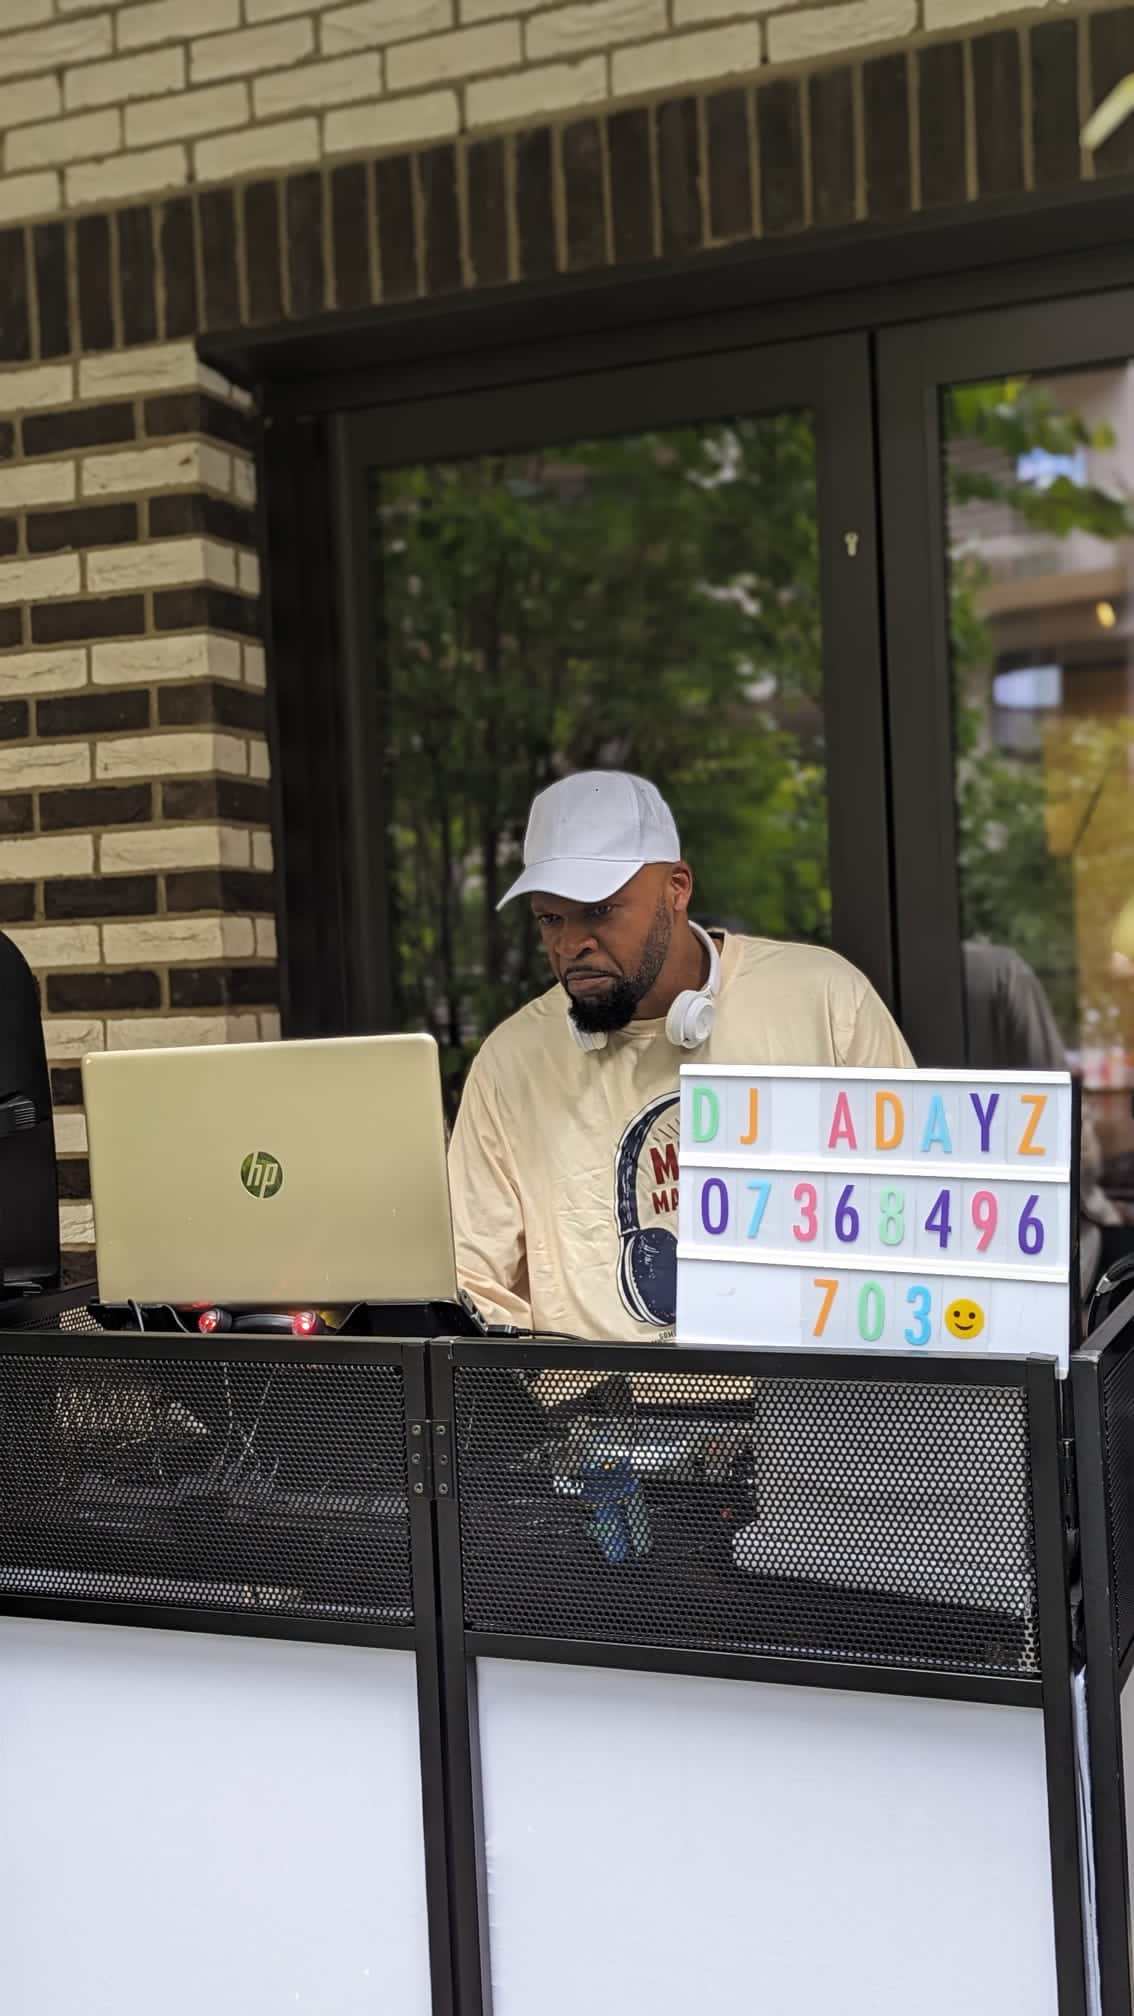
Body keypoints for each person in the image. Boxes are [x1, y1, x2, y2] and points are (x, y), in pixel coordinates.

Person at [448, 771, 914, 1340]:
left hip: (800, 1389)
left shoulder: (825, 1001)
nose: (570, 944)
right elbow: (472, 1282)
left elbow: (911, 1213)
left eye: (599, 910)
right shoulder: (511, 1061)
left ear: (677, 888)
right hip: (595, 1394)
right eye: (551, 918)